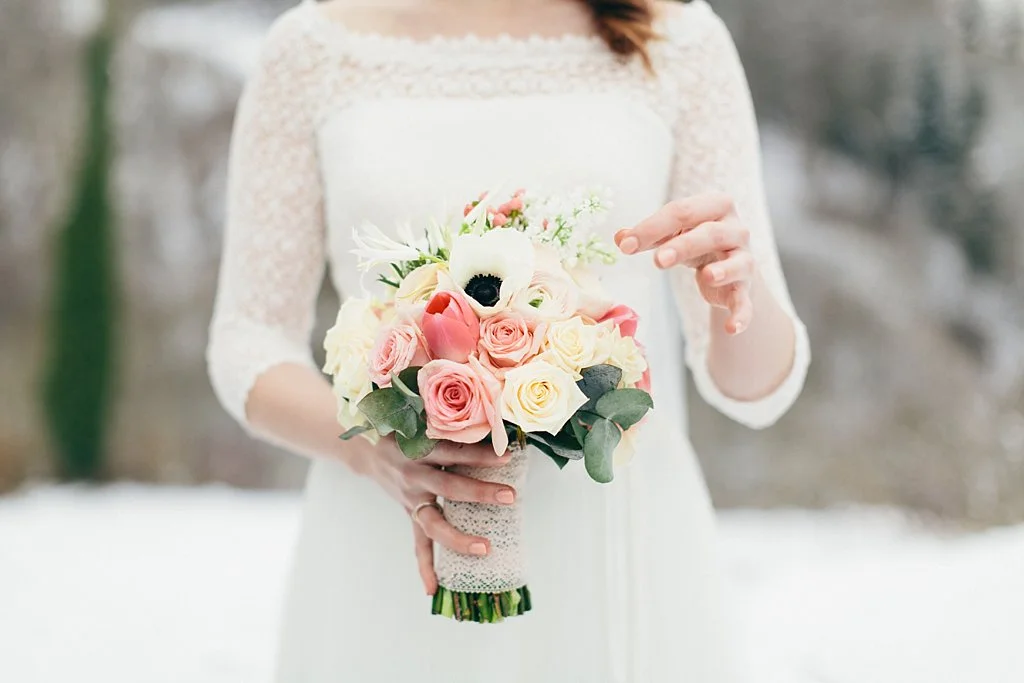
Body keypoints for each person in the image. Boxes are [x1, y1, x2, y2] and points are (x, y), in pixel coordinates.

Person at [207, 0, 810, 680]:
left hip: (616, 553)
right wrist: (377, 452)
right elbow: (246, 339)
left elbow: (756, 390)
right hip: (384, 546)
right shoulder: (315, 48)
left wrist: (738, 297)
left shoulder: (679, 41)